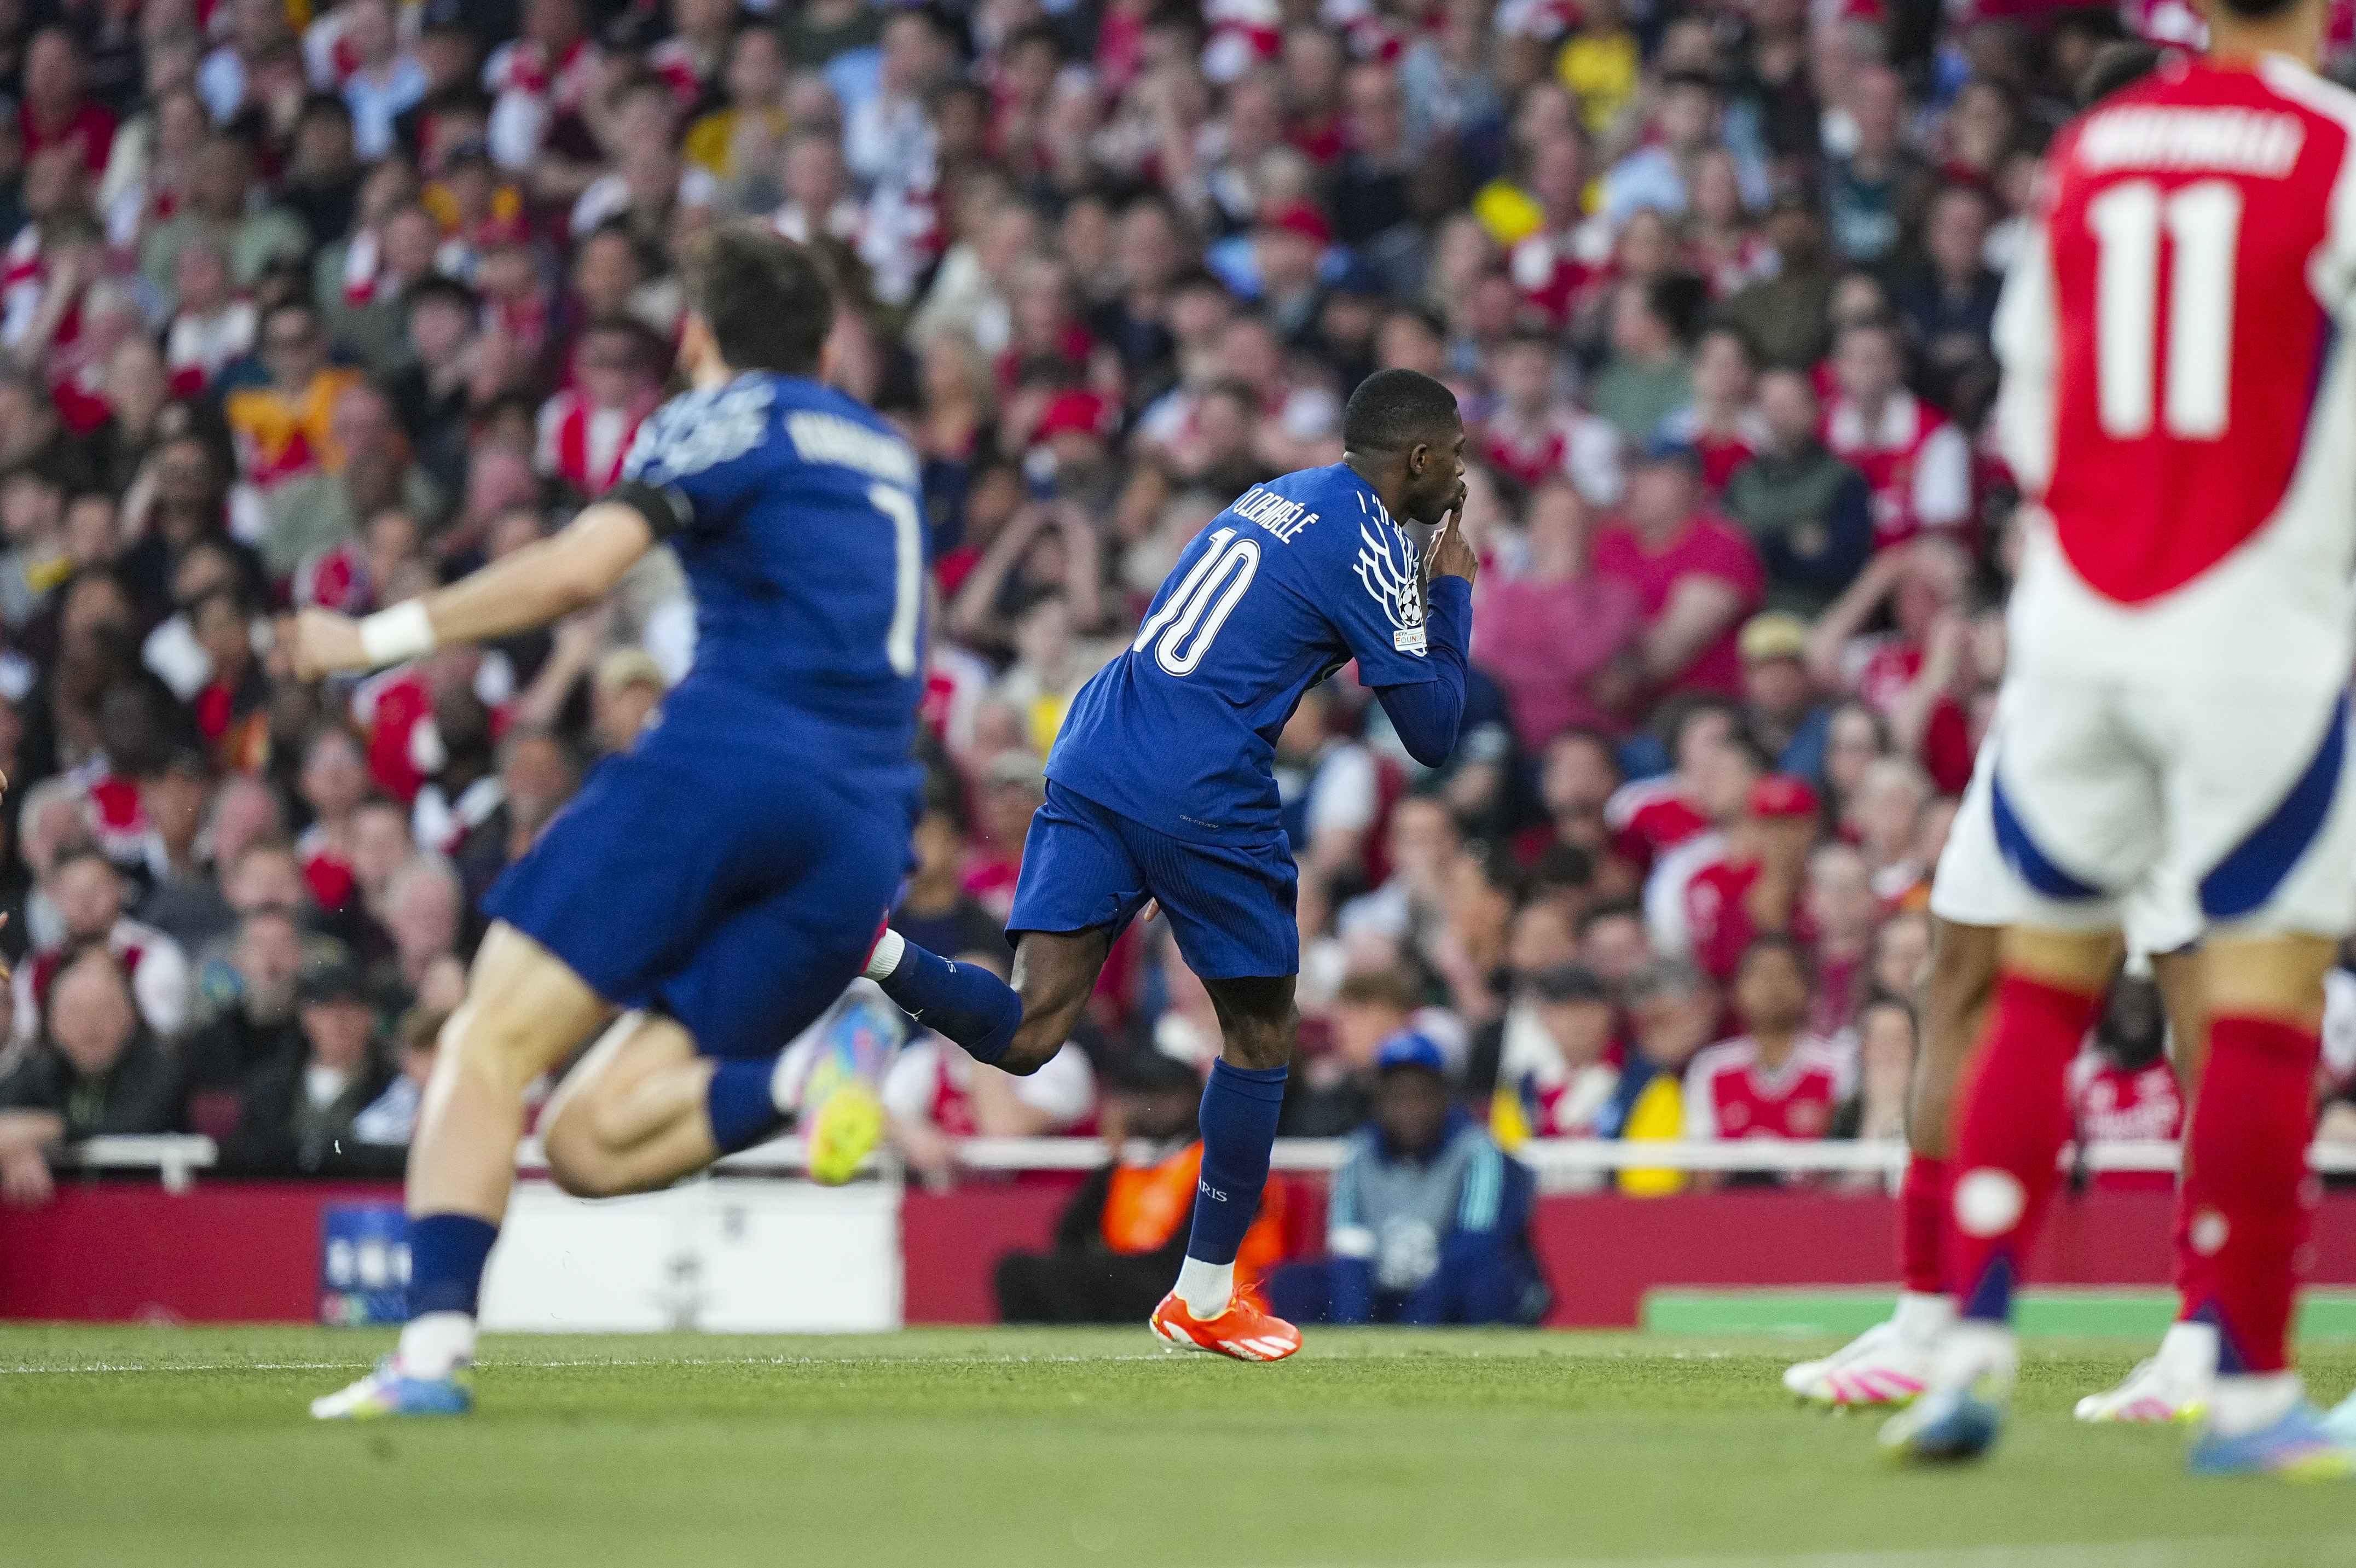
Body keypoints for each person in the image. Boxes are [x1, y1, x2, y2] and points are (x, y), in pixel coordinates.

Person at [293, 224, 927, 1420]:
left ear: (699, 334)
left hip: (726, 765)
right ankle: (809, 1074)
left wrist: (370, 639)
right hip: (862, 827)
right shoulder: (882, 453)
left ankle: (426, 1360)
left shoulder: (723, 413)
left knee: (485, 1044)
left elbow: (578, 571)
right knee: (586, 1146)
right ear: (824, 344)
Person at [1880, 0, 2356, 1475]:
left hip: (2082, 621)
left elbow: (2030, 395)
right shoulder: (2336, 149)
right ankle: (2251, 1393)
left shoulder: (2096, 146)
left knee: (2040, 981)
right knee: (2259, 998)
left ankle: (1967, 1348)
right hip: (2254, 622)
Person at [867, 367, 1477, 1363]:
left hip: (1101, 738)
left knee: (1029, 1030)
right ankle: (1203, 1294)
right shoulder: (1371, 539)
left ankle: (871, 949)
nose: (1461, 475)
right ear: (1417, 457)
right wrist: (1449, 589)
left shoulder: (1273, 494)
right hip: (1200, 776)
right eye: (1453, 455)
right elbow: (1435, 732)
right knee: (1261, 1034)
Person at [1265, 1030, 1547, 1326]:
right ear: (1379, 1101)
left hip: (1450, 1285)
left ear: (1443, 1096)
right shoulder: (1359, 1154)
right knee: (1293, 1284)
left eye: (1421, 1095)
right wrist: (1354, 1326)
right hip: (1385, 1287)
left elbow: (1474, 1243)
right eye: (1397, 1097)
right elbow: (1351, 1249)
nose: (1410, 1109)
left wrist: (1417, 1323)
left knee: (1486, 1280)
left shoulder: (1476, 1151)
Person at [994, 1050, 1284, 1325]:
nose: (1142, 1109)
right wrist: (1112, 1160)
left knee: (1085, 1279)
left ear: (1188, 1098)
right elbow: (1069, 1234)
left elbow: (1186, 1258)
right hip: (1137, 1280)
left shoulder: (1222, 1164)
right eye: (1137, 1097)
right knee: (1017, 1270)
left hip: (1210, 1292)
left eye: (1155, 1096)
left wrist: (1102, 1270)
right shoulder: (1134, 1163)